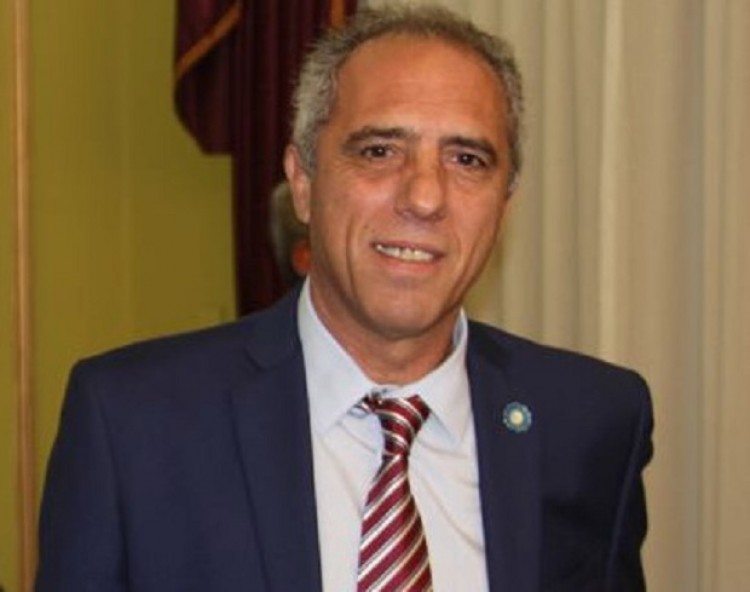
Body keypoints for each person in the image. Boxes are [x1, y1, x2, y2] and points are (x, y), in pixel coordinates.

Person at [36, 5, 653, 592]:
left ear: (504, 205)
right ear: (303, 183)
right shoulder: (134, 424)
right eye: (379, 151)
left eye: (467, 159)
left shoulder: (590, 424)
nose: (425, 197)